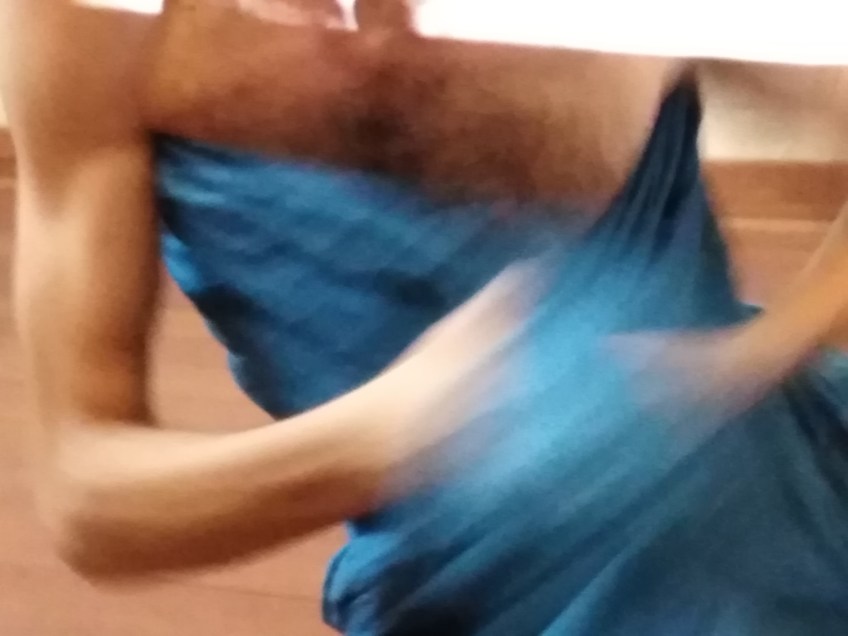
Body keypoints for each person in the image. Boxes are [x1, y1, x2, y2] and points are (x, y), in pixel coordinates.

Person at [3, 0, 848, 633]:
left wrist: (760, 353)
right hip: (474, 593)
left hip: (789, 512)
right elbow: (88, 500)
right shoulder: (90, 25)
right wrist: (374, 440)